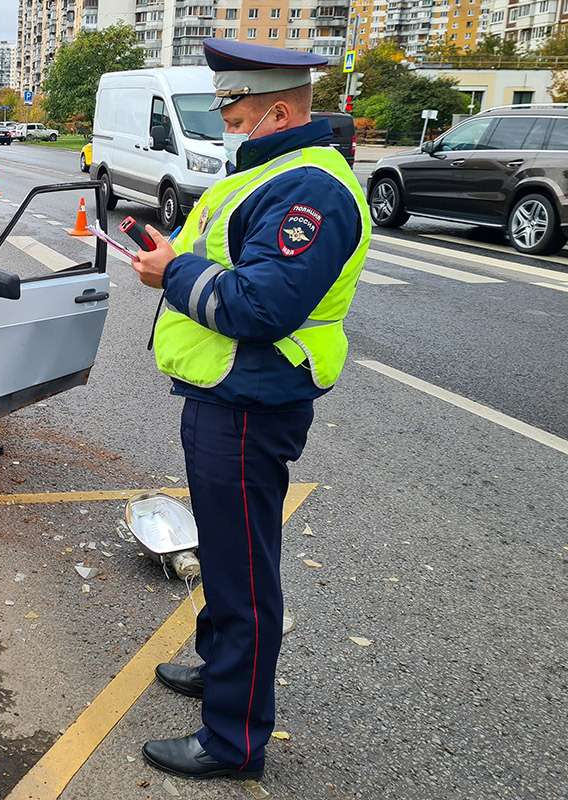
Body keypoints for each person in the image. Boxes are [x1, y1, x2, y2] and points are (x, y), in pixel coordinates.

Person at [130, 38, 370, 781]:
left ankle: (232, 740)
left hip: (250, 398)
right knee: (229, 555)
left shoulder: (311, 190)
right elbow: (222, 261)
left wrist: (175, 272)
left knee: (242, 571)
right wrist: (171, 261)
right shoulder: (264, 174)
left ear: (275, 108)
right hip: (225, 392)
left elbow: (260, 305)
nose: (225, 123)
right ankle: (219, 663)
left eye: (232, 110)